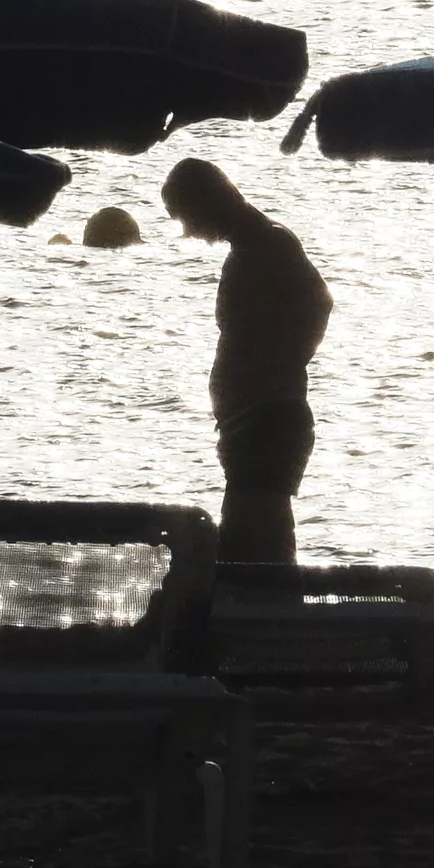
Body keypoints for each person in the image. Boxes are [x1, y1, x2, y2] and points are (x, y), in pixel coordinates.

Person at [164, 158, 331, 564]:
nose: (186, 230)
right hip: (252, 421)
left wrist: (279, 367)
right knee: (253, 542)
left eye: (184, 216)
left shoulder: (267, 243)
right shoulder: (252, 245)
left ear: (206, 202)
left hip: (267, 422)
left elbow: (319, 303)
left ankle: (272, 619)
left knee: (258, 547)